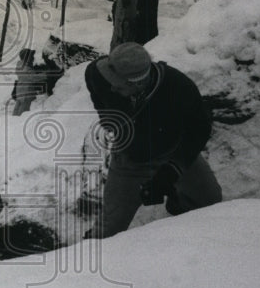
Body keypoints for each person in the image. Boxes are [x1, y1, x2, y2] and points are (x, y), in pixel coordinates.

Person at [84, 41, 221, 238]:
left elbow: (199, 129)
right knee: (107, 230)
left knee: (210, 201)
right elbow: (98, 94)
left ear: (137, 82)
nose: (112, 89)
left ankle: (178, 204)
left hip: (172, 152)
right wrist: (111, 121)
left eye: (118, 85)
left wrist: (172, 171)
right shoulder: (98, 72)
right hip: (130, 161)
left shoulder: (178, 87)